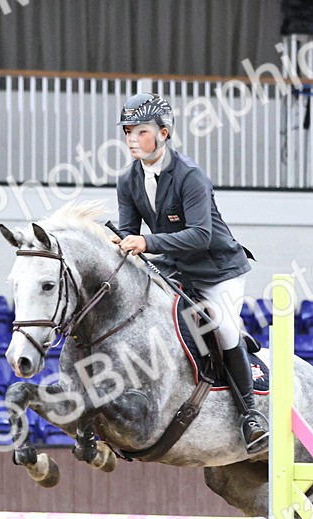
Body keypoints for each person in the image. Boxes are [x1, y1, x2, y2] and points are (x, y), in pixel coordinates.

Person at [110, 92, 267, 455]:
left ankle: (250, 415)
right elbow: (128, 231)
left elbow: (200, 235)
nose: (132, 138)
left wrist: (146, 242)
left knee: (222, 327)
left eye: (141, 131)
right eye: (128, 131)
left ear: (163, 133)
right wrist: (118, 242)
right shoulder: (128, 180)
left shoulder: (189, 175)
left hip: (217, 269)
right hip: (175, 268)